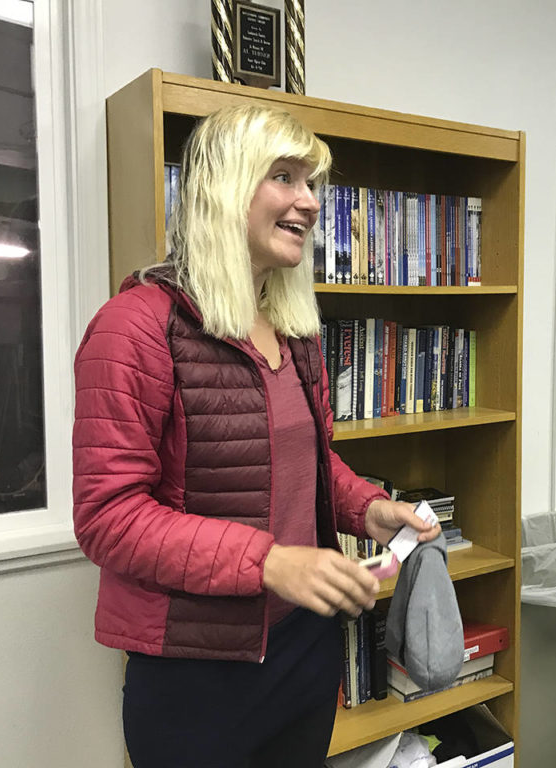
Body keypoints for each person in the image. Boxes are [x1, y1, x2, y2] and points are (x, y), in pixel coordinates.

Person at [73, 104, 439, 768]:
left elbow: (307, 460)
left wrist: (368, 507)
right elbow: (107, 517)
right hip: (196, 674)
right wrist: (270, 561)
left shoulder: (293, 329)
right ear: (224, 188)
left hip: (304, 651)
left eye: (312, 183)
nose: (309, 201)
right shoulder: (133, 327)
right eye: (285, 176)